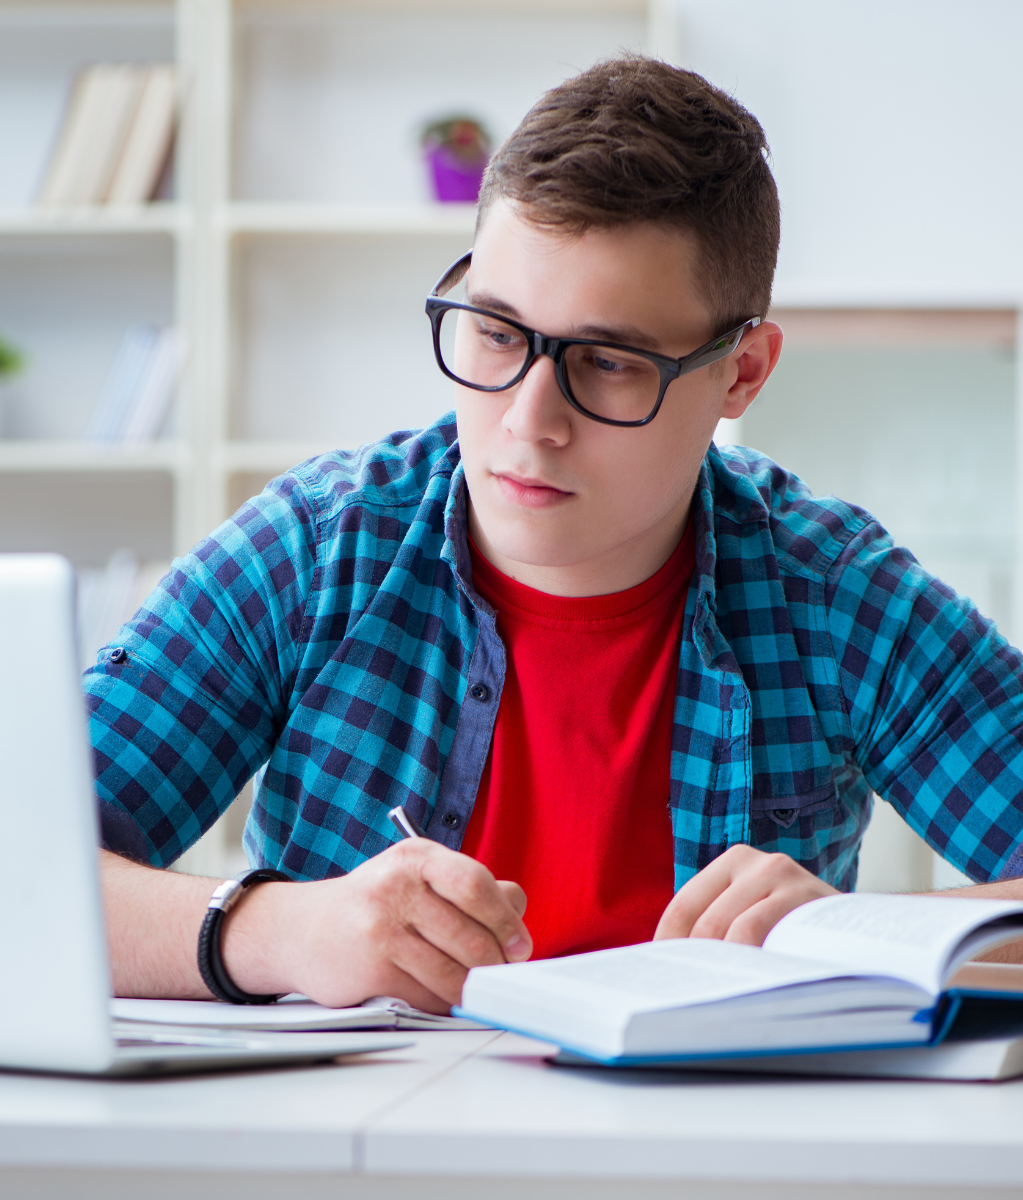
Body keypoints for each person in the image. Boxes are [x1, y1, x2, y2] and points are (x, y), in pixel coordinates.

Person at [85, 55, 1023, 1012]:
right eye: (495, 333)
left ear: (741, 372)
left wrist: (853, 942)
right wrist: (274, 931)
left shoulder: (834, 595)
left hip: (710, 1159)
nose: (530, 422)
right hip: (357, 1154)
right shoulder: (317, 550)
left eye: (607, 361)